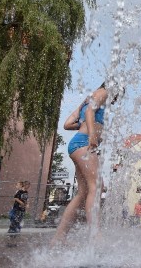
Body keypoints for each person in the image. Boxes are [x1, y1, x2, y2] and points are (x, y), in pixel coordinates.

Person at [52, 83, 111, 243]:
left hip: (77, 143)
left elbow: (67, 124)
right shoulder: (103, 92)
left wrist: (85, 123)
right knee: (97, 186)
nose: (115, 100)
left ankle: (59, 238)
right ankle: (95, 234)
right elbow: (91, 111)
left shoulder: (88, 99)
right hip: (84, 143)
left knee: (83, 193)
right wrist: (92, 134)